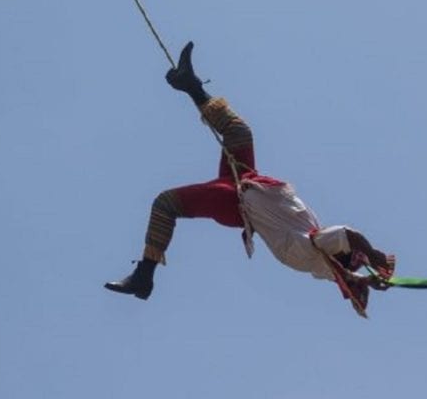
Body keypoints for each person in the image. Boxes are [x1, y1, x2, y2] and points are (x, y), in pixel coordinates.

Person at [104, 42, 396, 316]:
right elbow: (340, 272)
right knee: (239, 133)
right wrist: (365, 279)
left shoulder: (317, 246)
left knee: (165, 203)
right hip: (248, 180)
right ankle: (189, 84)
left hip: (237, 202)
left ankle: (144, 276)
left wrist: (373, 255)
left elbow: (348, 236)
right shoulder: (320, 263)